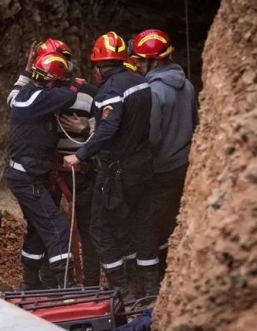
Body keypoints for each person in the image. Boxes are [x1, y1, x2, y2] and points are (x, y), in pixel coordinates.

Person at [63, 31, 157, 301]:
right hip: (143, 166)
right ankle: (149, 291)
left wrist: (79, 155)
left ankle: (124, 291)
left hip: (117, 170)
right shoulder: (141, 82)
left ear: (99, 67)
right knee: (140, 225)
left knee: (101, 229)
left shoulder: (110, 90)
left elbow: (109, 128)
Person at [7, 39, 101, 289]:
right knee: (57, 230)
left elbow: (104, 130)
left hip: (66, 173)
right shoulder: (50, 97)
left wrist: (84, 131)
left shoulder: (24, 95)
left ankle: (33, 284)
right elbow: (65, 97)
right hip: (41, 174)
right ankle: (64, 288)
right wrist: (74, 87)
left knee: (41, 229)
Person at [130, 29, 199, 284]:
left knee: (147, 223)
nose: (137, 65)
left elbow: (152, 137)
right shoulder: (188, 85)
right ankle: (171, 273)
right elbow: (195, 124)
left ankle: (150, 284)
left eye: (140, 60)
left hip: (159, 169)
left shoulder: (153, 91)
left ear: (154, 60)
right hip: (182, 165)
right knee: (171, 221)